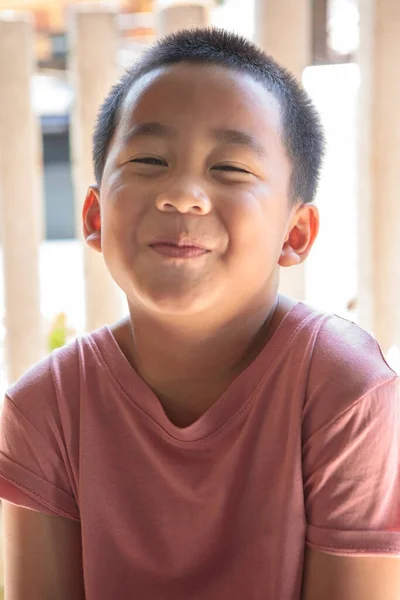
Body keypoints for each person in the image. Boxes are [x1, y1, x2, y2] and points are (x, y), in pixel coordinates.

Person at [0, 27, 399, 600]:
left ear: (296, 232)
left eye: (230, 169)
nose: (183, 193)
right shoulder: (46, 408)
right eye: (149, 159)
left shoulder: (345, 392)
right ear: (94, 217)